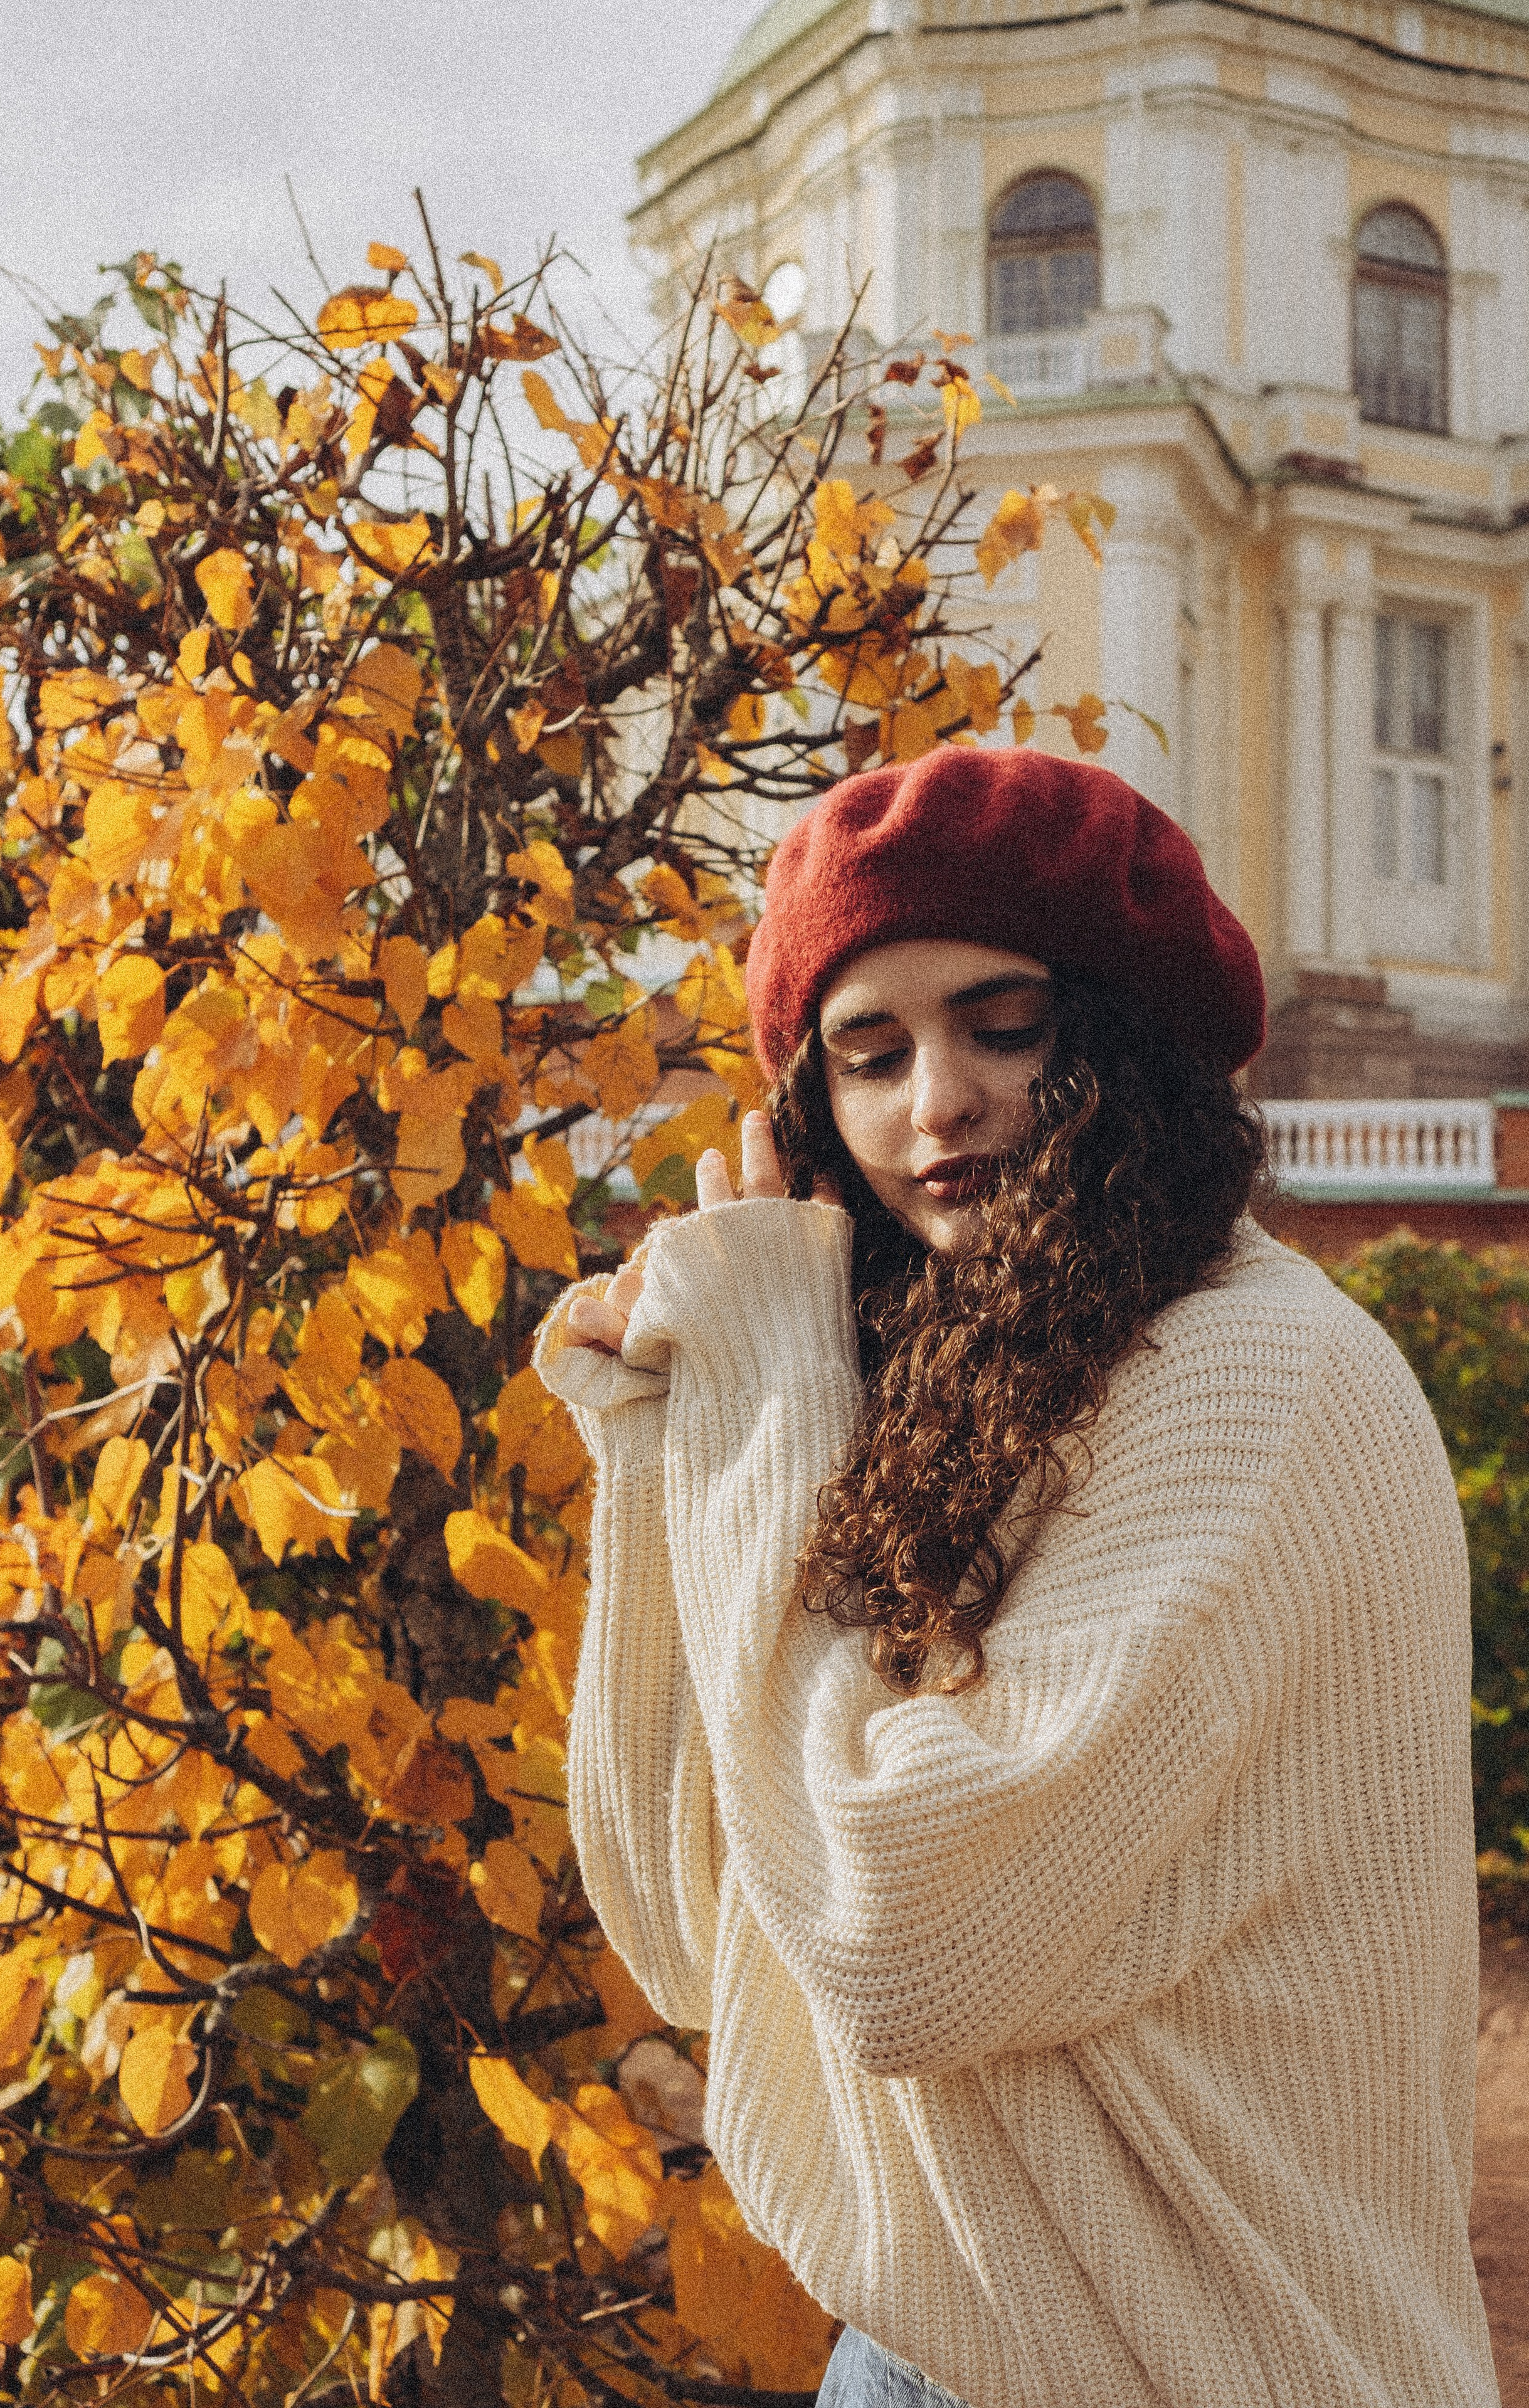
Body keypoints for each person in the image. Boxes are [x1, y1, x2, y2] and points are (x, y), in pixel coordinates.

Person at [533, 747, 1497, 2408]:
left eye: (1005, 1021)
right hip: (953, 2338)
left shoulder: (1247, 1379)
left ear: (1128, 1035)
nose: (936, 1102)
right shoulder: (973, 1393)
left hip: (1197, 2368)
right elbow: (699, 1925)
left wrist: (768, 1395)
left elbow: (901, 1946)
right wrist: (665, 1443)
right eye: (870, 1050)